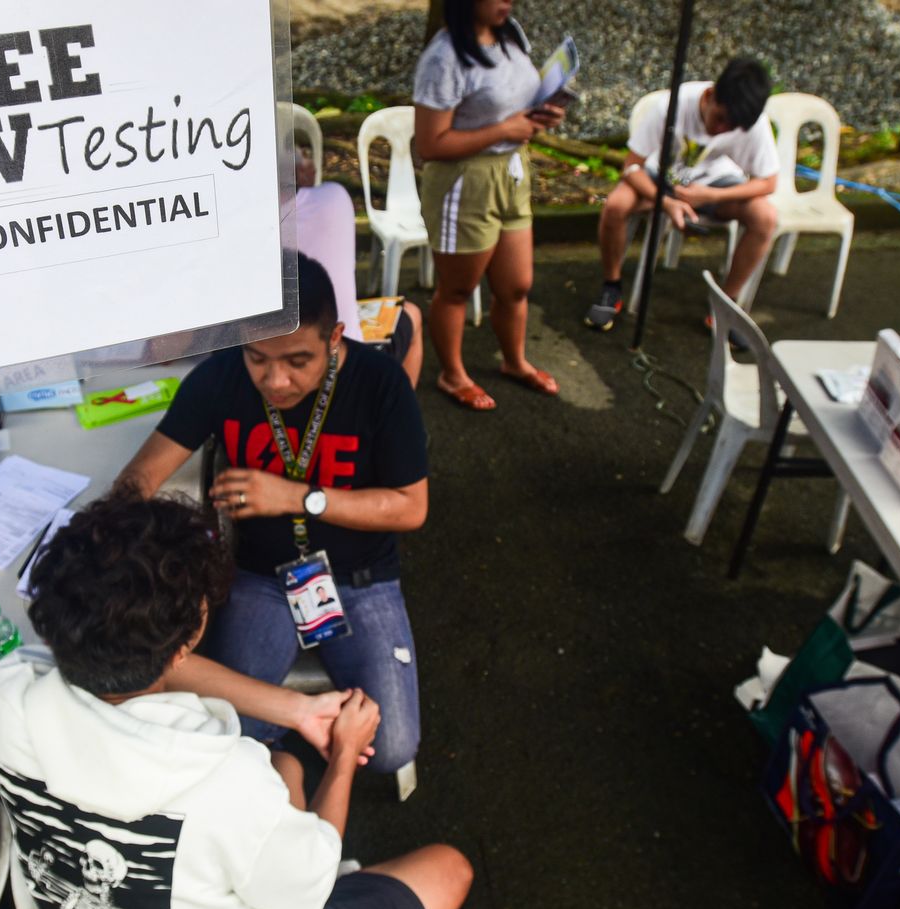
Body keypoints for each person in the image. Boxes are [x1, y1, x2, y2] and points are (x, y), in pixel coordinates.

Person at [0, 493, 471, 909]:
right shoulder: (221, 780)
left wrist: (294, 709)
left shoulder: (9, 694)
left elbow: (158, 661)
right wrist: (344, 756)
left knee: (286, 771)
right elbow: (306, 893)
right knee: (450, 868)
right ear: (193, 628)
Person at [117, 253, 428, 775]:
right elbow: (138, 479)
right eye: (257, 357)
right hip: (261, 576)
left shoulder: (381, 385)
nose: (274, 379)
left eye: (297, 360)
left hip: (362, 577)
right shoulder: (220, 377)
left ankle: (280, 740)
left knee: (393, 750)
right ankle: (284, 750)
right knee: (223, 732)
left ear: (335, 338)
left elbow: (410, 507)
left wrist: (296, 497)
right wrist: (109, 540)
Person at [412, 0, 566, 411]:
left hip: (513, 170)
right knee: (458, 289)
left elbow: (509, 102)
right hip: (465, 180)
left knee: (516, 285)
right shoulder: (443, 58)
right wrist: (504, 128)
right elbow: (430, 145)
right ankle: (452, 374)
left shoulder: (509, 34)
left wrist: (536, 116)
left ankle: (514, 362)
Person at [583, 57, 781, 333]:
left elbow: (768, 182)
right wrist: (667, 203)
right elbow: (631, 166)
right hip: (661, 179)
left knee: (766, 217)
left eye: (732, 127)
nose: (721, 130)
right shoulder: (671, 106)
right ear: (710, 95)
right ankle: (611, 287)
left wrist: (711, 196)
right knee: (616, 204)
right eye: (720, 118)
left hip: (716, 185)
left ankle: (726, 305)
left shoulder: (751, 121)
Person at [295, 154, 427, 386]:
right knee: (412, 313)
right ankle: (396, 414)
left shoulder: (229, 224)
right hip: (344, 358)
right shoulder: (333, 199)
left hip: (256, 359)